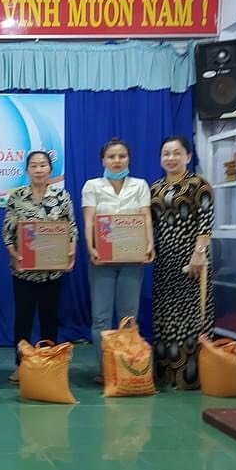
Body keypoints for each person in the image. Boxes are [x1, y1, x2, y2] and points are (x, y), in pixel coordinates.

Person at [81, 138, 155, 383]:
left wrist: (149, 244)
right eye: (111, 156)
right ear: (103, 160)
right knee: (101, 317)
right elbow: (89, 220)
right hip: (101, 260)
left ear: (129, 158)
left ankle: (126, 368)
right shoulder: (92, 186)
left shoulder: (140, 185)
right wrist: (91, 247)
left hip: (132, 259)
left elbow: (145, 217)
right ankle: (105, 370)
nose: (116, 161)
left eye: (121, 156)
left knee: (128, 316)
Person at [3, 150, 79, 383]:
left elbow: (71, 229)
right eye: (34, 166)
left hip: (52, 272)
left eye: (43, 165)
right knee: (23, 320)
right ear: (27, 170)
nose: (38, 170)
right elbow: (7, 233)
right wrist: (15, 256)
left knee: (49, 319)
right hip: (23, 272)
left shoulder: (61, 196)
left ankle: (48, 365)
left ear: (50, 169)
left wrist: (71, 253)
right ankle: (21, 366)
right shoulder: (17, 197)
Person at [150, 135, 214, 390]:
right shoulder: (155, 188)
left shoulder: (199, 185)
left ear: (187, 156)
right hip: (164, 261)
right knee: (166, 317)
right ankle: (166, 375)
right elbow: (146, 225)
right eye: (166, 153)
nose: (171, 158)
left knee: (192, 317)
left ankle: (190, 378)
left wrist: (199, 252)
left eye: (176, 153)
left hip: (192, 260)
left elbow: (206, 221)